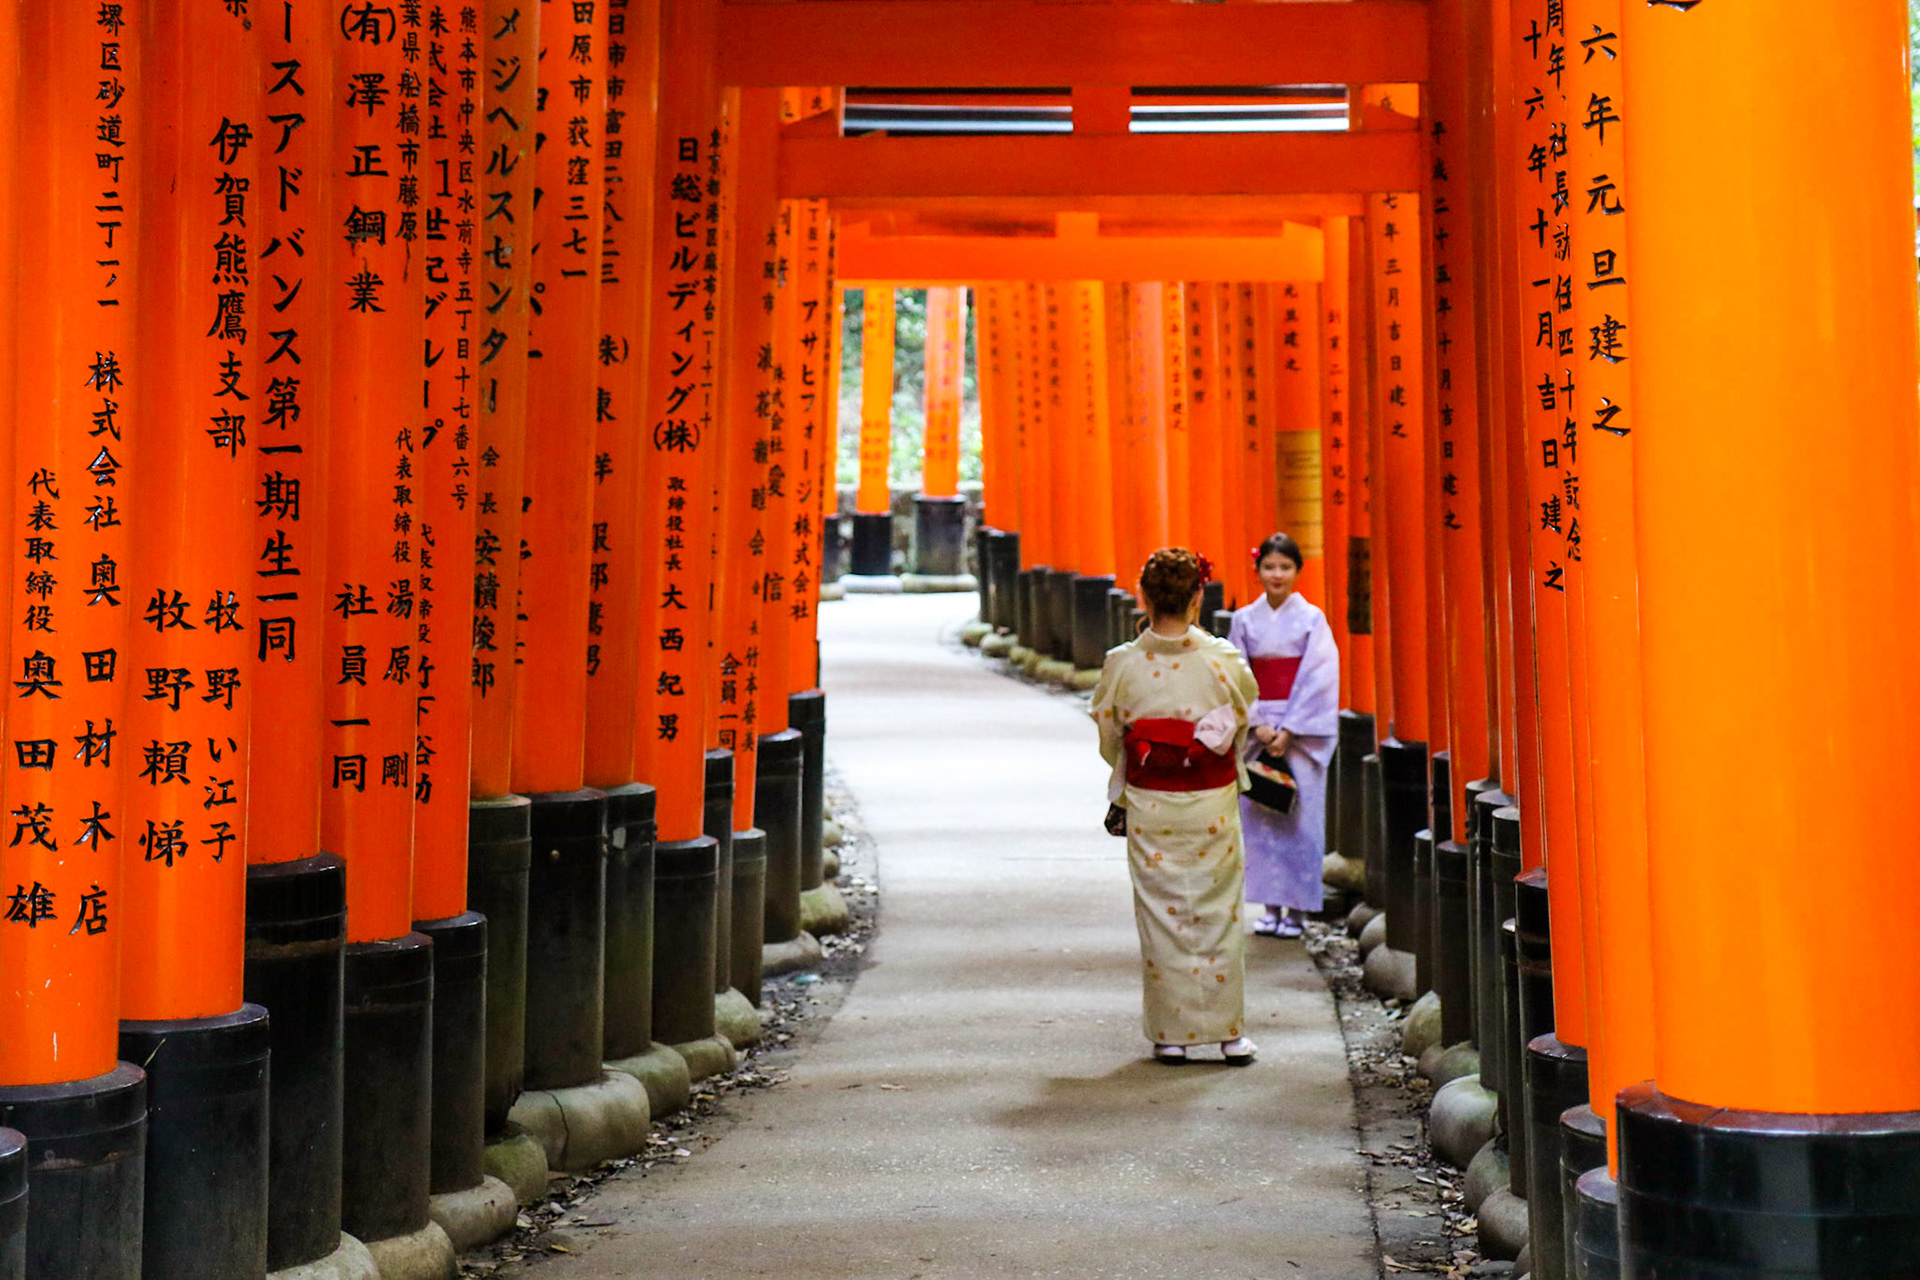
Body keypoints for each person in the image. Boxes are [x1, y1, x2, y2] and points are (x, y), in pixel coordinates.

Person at [1091, 547, 1261, 1065]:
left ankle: (1171, 1035)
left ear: (1144, 597)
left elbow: (1109, 734)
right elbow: (1242, 714)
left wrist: (1147, 757)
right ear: (1196, 598)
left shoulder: (1122, 664)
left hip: (1153, 803)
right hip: (1210, 800)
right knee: (1219, 912)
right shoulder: (1222, 659)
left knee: (1160, 914)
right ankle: (1229, 1035)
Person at [1227, 533, 1340, 940]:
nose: (1277, 574)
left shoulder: (1312, 619)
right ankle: (1270, 907)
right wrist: (1257, 723)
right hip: (1259, 728)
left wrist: (1290, 729)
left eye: (1285, 567)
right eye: (1270, 567)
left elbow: (1320, 675)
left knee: (1301, 821)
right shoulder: (1243, 620)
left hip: (1300, 732)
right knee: (1260, 818)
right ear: (1257, 571)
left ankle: (1297, 911)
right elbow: (1235, 675)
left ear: (1297, 571)